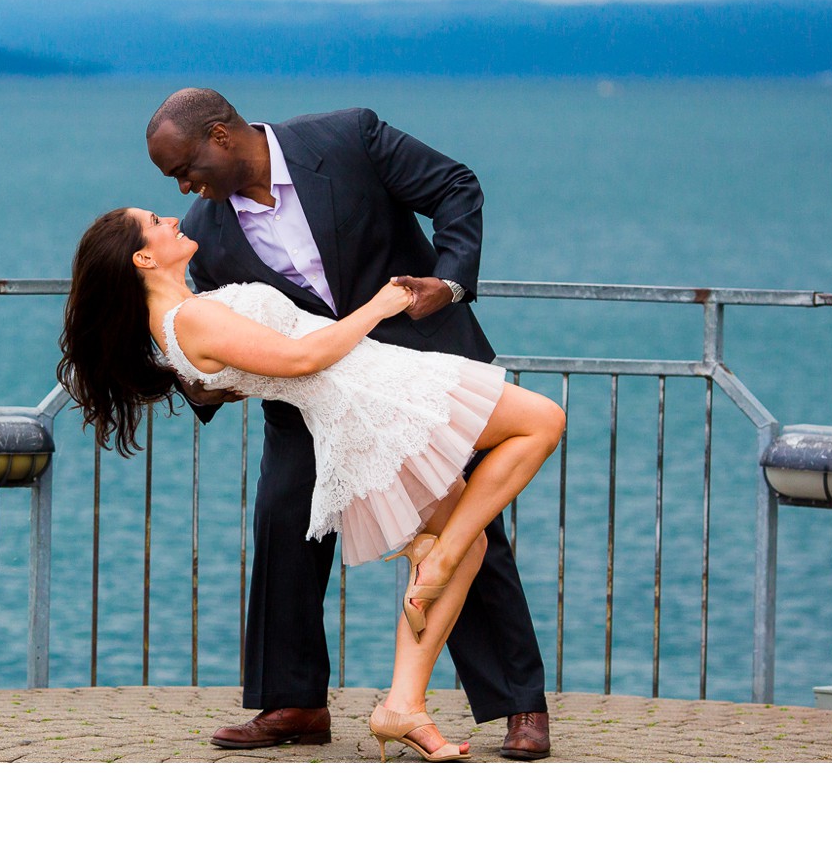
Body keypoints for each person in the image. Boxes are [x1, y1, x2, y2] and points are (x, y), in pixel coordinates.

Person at [57, 207, 562, 760]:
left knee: (471, 542)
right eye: (155, 221)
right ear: (144, 257)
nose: (172, 218)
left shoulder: (183, 315)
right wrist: (383, 304)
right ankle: (434, 566)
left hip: (366, 400)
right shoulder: (186, 320)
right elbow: (300, 358)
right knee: (542, 421)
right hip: (377, 398)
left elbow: (255, 365)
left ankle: (404, 705)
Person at [144, 88, 555, 759]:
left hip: (421, 367)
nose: (184, 185)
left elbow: (455, 186)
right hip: (309, 399)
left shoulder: (348, 137)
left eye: (184, 167)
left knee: (471, 527)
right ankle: (295, 702)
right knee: (283, 521)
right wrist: (203, 386)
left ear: (221, 135)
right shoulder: (206, 231)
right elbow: (213, 338)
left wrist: (447, 284)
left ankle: (518, 706)